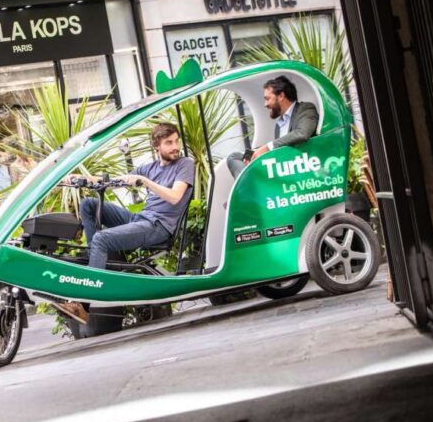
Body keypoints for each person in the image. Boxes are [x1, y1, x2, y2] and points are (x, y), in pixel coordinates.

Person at [58, 123, 195, 323]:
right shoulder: (150, 168)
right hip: (140, 219)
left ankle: (83, 304)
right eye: (169, 143)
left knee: (101, 239)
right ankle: (95, 262)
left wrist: (145, 181)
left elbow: (175, 197)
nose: (175, 147)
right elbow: (114, 181)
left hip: (158, 226)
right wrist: (80, 178)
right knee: (89, 204)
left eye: (176, 141)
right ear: (157, 145)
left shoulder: (185, 164)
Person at [227, 75, 319, 178]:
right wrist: (257, 154)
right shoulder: (279, 125)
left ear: (281, 96)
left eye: (267, 99)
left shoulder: (305, 108)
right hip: (282, 167)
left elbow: (302, 133)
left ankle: (250, 190)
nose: (265, 104)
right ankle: (250, 186)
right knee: (235, 157)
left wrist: (268, 147)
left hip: (300, 168)